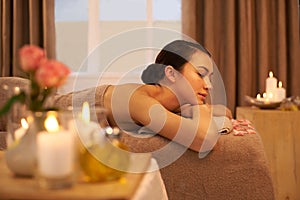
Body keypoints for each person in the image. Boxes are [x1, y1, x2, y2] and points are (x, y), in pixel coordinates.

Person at [56, 40, 232, 155]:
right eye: (201, 74)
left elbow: (225, 112)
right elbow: (205, 140)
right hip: (50, 112)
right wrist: (198, 108)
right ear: (171, 73)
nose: (209, 85)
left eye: (210, 77)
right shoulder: (139, 101)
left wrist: (193, 107)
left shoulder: (167, 101)